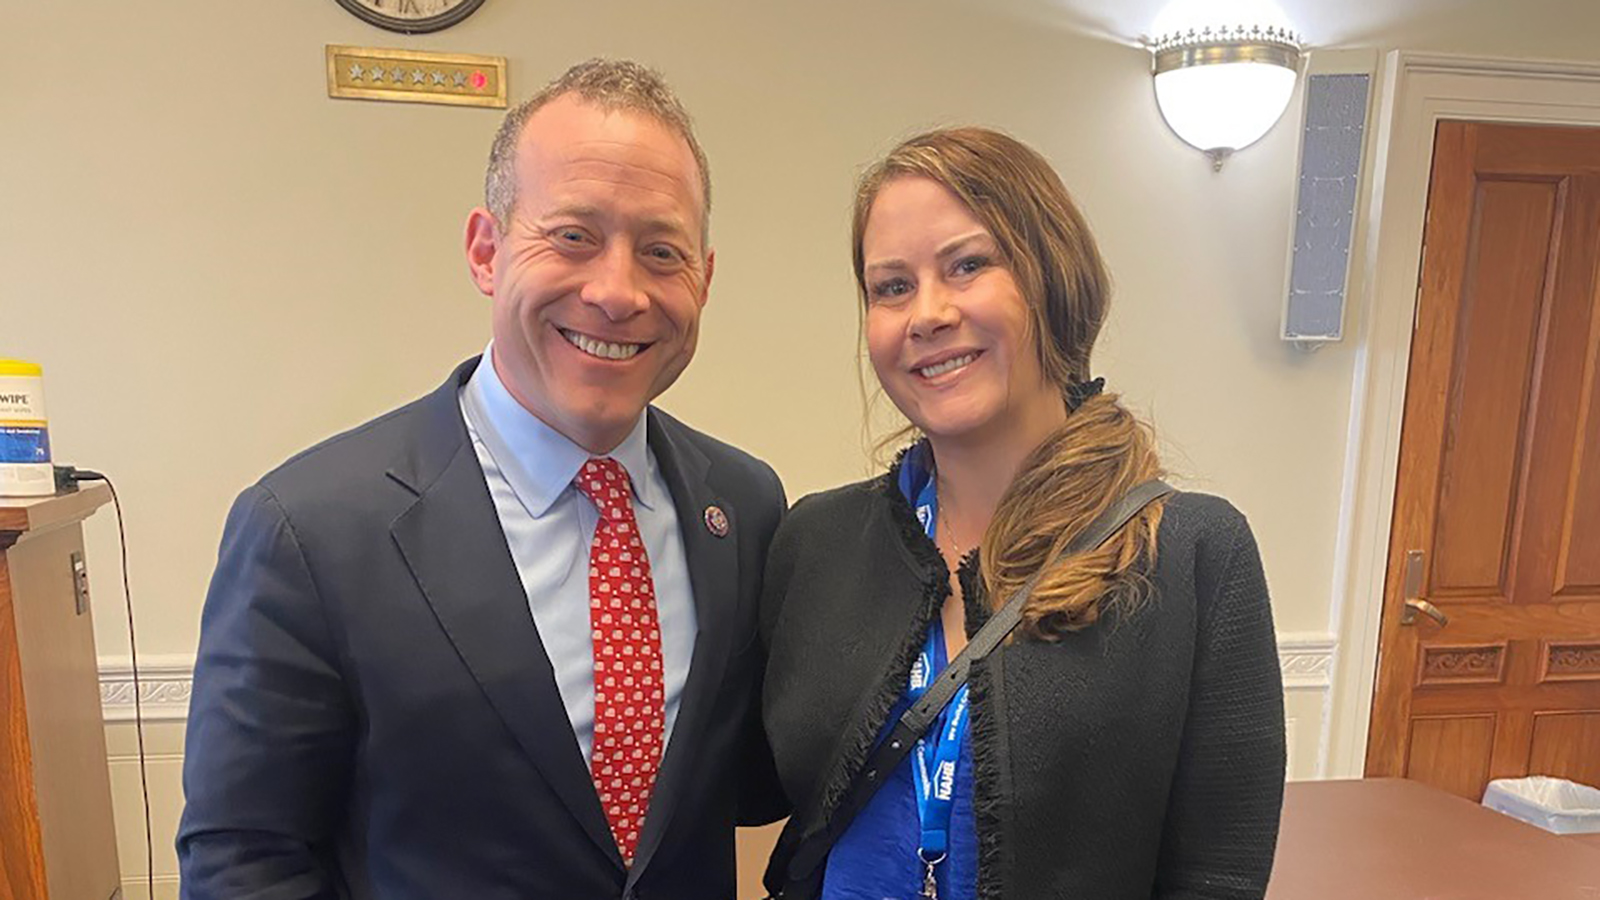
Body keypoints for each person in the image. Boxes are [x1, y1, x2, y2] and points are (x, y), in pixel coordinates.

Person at [178, 59, 787, 899]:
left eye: (661, 251)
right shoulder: (308, 530)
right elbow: (244, 863)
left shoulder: (746, 509)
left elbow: (757, 781)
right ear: (486, 251)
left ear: (704, 281)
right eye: (573, 236)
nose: (618, 291)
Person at [760, 127, 1285, 899]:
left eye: (969, 265)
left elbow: (1219, 874)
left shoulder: (1191, 554)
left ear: (1054, 279)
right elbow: (749, 788)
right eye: (892, 286)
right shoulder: (817, 542)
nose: (927, 313)